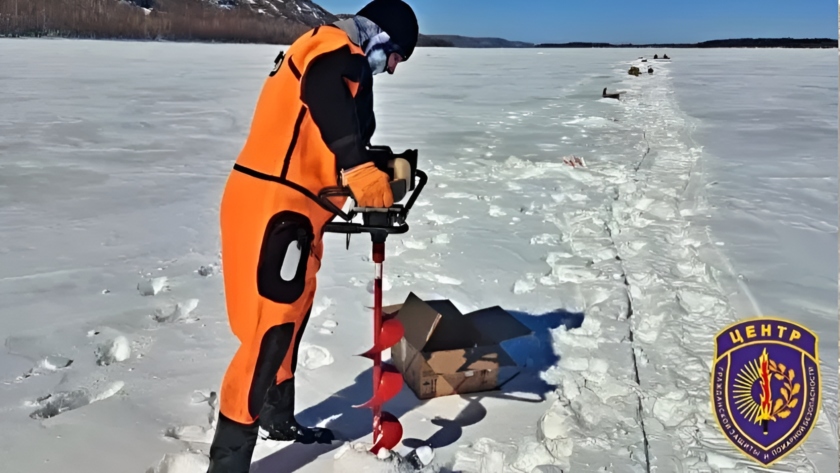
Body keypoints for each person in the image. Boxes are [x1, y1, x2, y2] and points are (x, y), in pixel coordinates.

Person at [206, 1, 419, 471]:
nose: (395, 67)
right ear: (381, 35)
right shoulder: (334, 50)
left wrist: (367, 160)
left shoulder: (332, 52)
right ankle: (227, 464)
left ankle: (279, 421)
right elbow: (322, 88)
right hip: (273, 207)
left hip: (294, 208)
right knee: (269, 332)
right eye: (399, 54)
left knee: (292, 319)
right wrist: (357, 163)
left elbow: (323, 127)